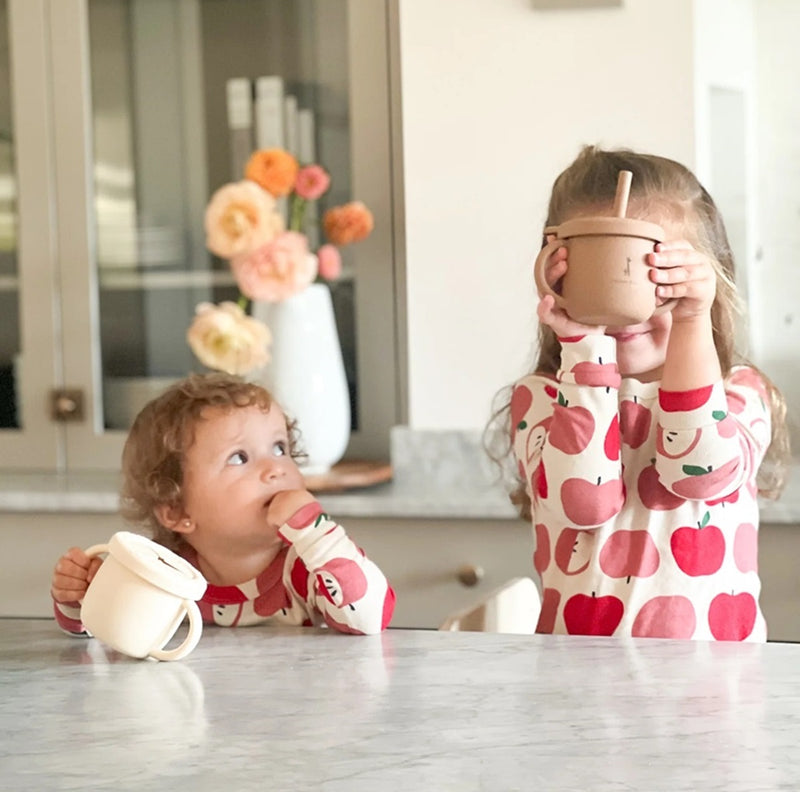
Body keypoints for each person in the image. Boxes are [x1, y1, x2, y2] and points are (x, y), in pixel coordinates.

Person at [491, 145, 789, 641]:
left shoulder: (738, 393)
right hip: (582, 686)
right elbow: (587, 503)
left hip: (714, 691)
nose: (632, 301)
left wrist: (692, 320)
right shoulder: (543, 400)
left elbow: (699, 474)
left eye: (659, 276)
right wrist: (585, 344)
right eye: (599, 269)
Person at [51, 373, 396, 636]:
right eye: (240, 457)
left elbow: (371, 618)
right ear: (177, 511)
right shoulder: (163, 574)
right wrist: (80, 598)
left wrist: (319, 533)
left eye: (279, 448)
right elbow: (109, 631)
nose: (276, 468)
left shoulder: (307, 566)